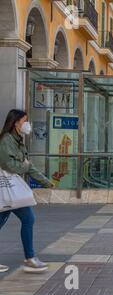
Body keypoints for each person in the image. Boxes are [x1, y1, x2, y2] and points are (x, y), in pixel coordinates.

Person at [0, 109, 54, 273]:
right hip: (6, 189)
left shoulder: (18, 141)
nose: (27, 125)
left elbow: (28, 166)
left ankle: (30, 258)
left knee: (28, 219)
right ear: (16, 123)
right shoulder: (5, 140)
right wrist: (25, 166)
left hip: (12, 191)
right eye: (25, 121)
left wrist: (46, 182)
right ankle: (30, 258)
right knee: (27, 219)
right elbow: (9, 165)